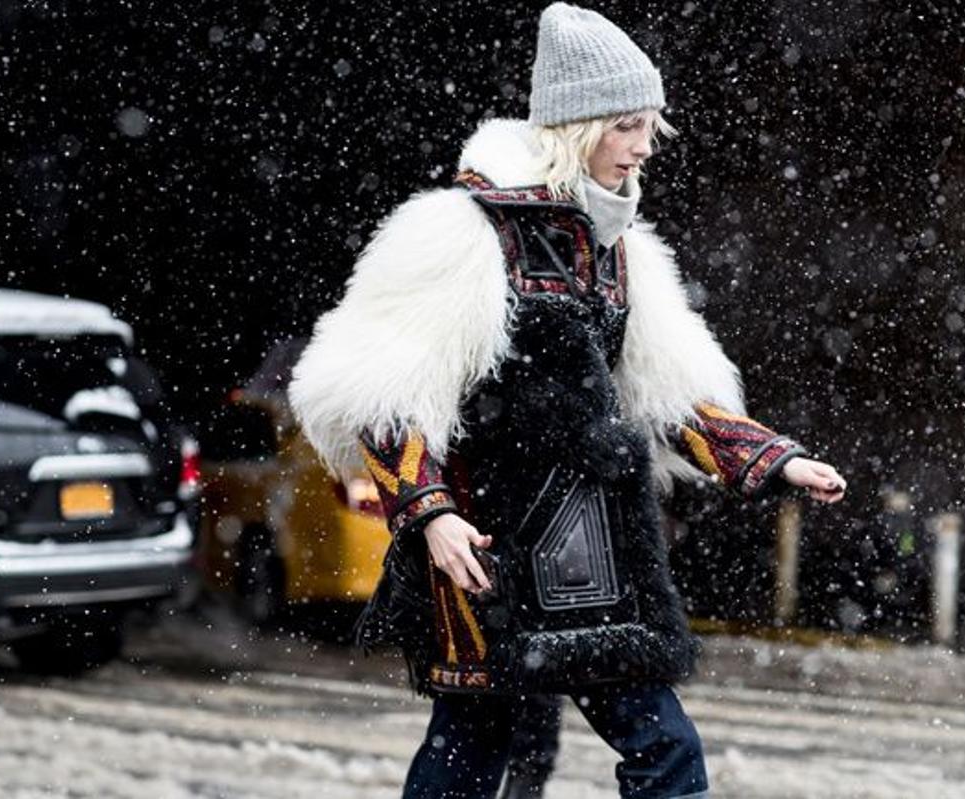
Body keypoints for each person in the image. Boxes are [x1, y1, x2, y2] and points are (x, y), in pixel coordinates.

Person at [289, 4, 846, 797]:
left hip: (595, 557)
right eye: (627, 124)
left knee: (616, 749)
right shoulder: (462, 234)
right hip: (484, 547)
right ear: (576, 126)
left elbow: (671, 398)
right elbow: (380, 396)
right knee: (491, 745)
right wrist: (430, 514)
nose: (646, 145)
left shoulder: (621, 252)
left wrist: (775, 459)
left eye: (652, 124)